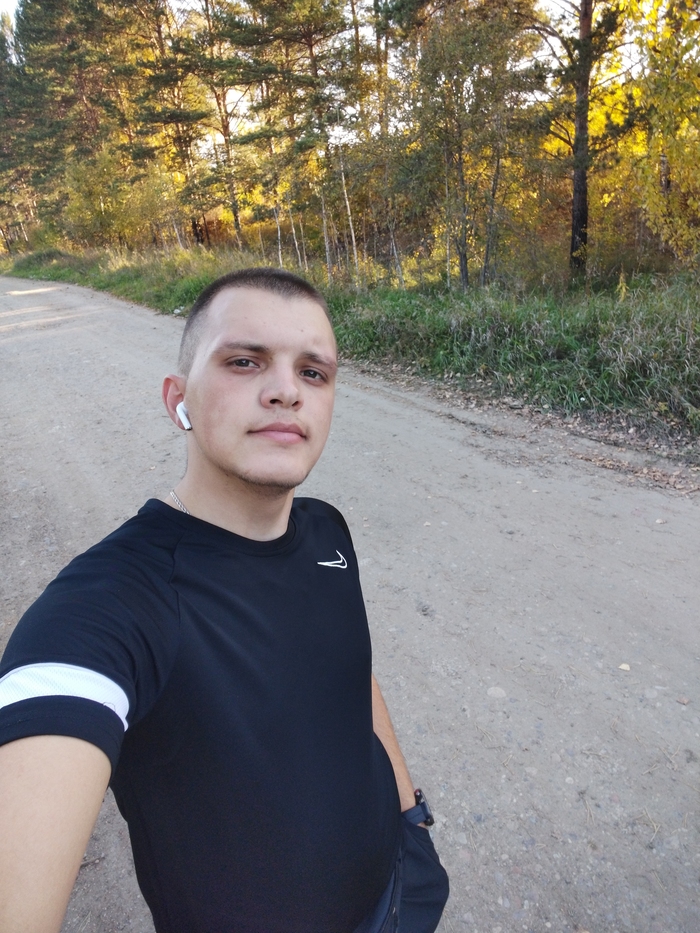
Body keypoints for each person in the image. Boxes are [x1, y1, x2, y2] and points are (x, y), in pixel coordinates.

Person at [0, 268, 448, 933]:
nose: (286, 390)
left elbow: (353, 672)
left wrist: (410, 813)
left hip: (402, 891)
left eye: (314, 373)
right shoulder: (113, 603)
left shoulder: (327, 530)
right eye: (245, 361)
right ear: (178, 398)